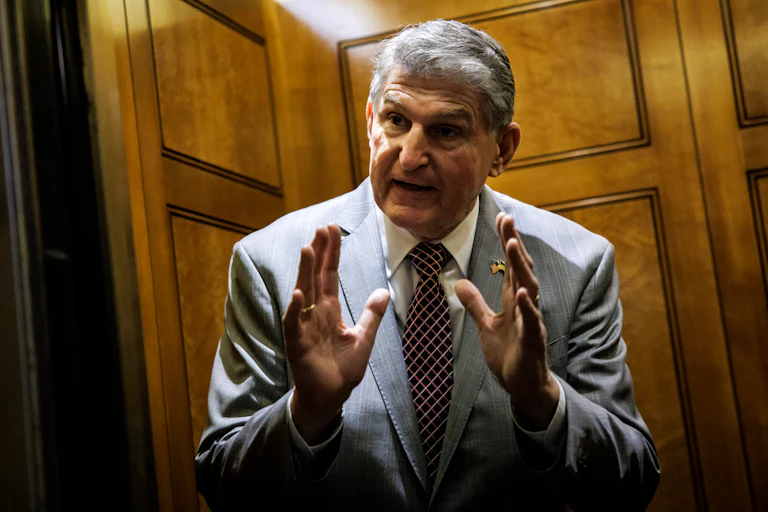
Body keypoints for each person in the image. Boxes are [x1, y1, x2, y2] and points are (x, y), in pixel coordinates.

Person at [195, 19, 660, 511]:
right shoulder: (271, 261)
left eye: (446, 131)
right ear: (371, 120)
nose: (411, 156)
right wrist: (306, 414)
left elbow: (631, 483)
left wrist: (543, 399)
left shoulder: (577, 263)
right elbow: (223, 482)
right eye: (396, 120)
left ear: (502, 150)